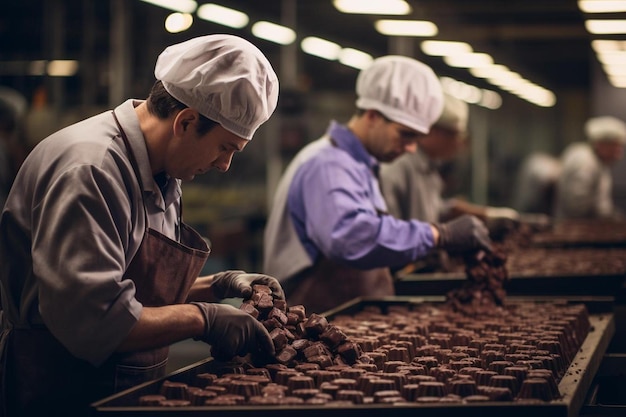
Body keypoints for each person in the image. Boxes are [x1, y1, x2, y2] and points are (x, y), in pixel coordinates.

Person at [0, 34, 283, 417]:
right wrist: (203, 318)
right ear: (186, 122)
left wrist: (215, 288)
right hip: (60, 388)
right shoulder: (92, 170)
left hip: (121, 384)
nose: (224, 165)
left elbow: (132, 286)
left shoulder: (162, 170)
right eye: (225, 147)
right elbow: (94, 319)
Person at [263, 55, 493, 314]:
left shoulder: (360, 165)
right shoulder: (328, 164)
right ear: (372, 115)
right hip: (312, 323)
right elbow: (350, 236)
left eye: (417, 137)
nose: (410, 148)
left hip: (345, 318)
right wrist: (439, 235)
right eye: (405, 135)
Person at [379, 93, 520, 227]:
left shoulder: (430, 167)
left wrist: (486, 215)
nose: (459, 143)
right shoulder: (397, 167)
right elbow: (391, 233)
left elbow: (432, 211)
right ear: (431, 131)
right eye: (454, 134)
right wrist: (442, 235)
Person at [554, 115, 626, 219]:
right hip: (575, 228)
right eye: (615, 147)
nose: (619, 155)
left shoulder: (596, 160)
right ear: (600, 144)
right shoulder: (585, 162)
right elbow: (577, 206)